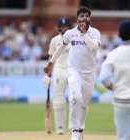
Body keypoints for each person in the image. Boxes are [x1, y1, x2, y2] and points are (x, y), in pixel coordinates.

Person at [43, 6, 101, 140]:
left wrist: (84, 33)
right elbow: (60, 48)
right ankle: (75, 131)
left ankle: (80, 129)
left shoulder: (95, 33)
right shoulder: (70, 33)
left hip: (89, 73)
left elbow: (94, 46)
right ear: (77, 18)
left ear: (89, 18)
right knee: (75, 97)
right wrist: (51, 63)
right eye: (82, 16)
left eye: (87, 16)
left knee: (84, 103)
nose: (84, 18)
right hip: (73, 70)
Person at [42, 17, 71, 135]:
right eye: (62, 26)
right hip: (59, 70)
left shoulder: (75, 39)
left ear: (69, 27)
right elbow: (51, 58)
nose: (64, 28)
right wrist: (48, 75)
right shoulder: (54, 40)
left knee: (75, 99)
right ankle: (60, 127)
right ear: (58, 28)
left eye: (66, 26)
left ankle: (75, 127)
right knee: (58, 99)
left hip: (72, 70)